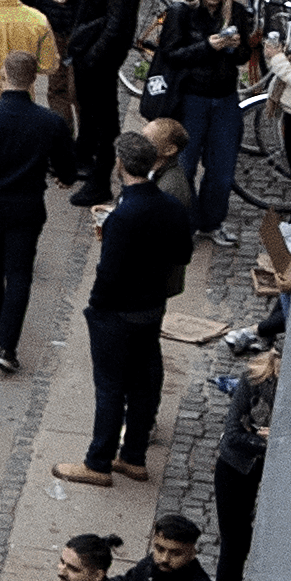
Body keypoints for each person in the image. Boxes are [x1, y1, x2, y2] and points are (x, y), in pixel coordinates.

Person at [60, 140, 189, 490]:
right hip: (152, 307)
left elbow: (109, 272)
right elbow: (183, 252)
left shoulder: (123, 217)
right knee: (142, 384)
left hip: (117, 313)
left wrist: (95, 306)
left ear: (120, 163)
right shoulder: (171, 207)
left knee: (110, 388)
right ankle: (133, 457)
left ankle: (98, 462)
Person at [0, 58, 75, 374]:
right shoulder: (49, 122)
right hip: (27, 205)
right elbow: (66, 167)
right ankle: (7, 346)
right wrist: (64, 176)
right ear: (34, 80)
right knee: (19, 273)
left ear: (2, 74)